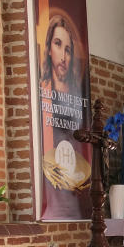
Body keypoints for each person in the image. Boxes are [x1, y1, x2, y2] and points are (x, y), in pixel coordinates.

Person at [39, 13, 90, 219]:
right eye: (58, 44)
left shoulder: (78, 101)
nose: (63, 56)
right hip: (51, 201)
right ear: (49, 49)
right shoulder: (43, 94)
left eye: (68, 50)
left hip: (75, 199)